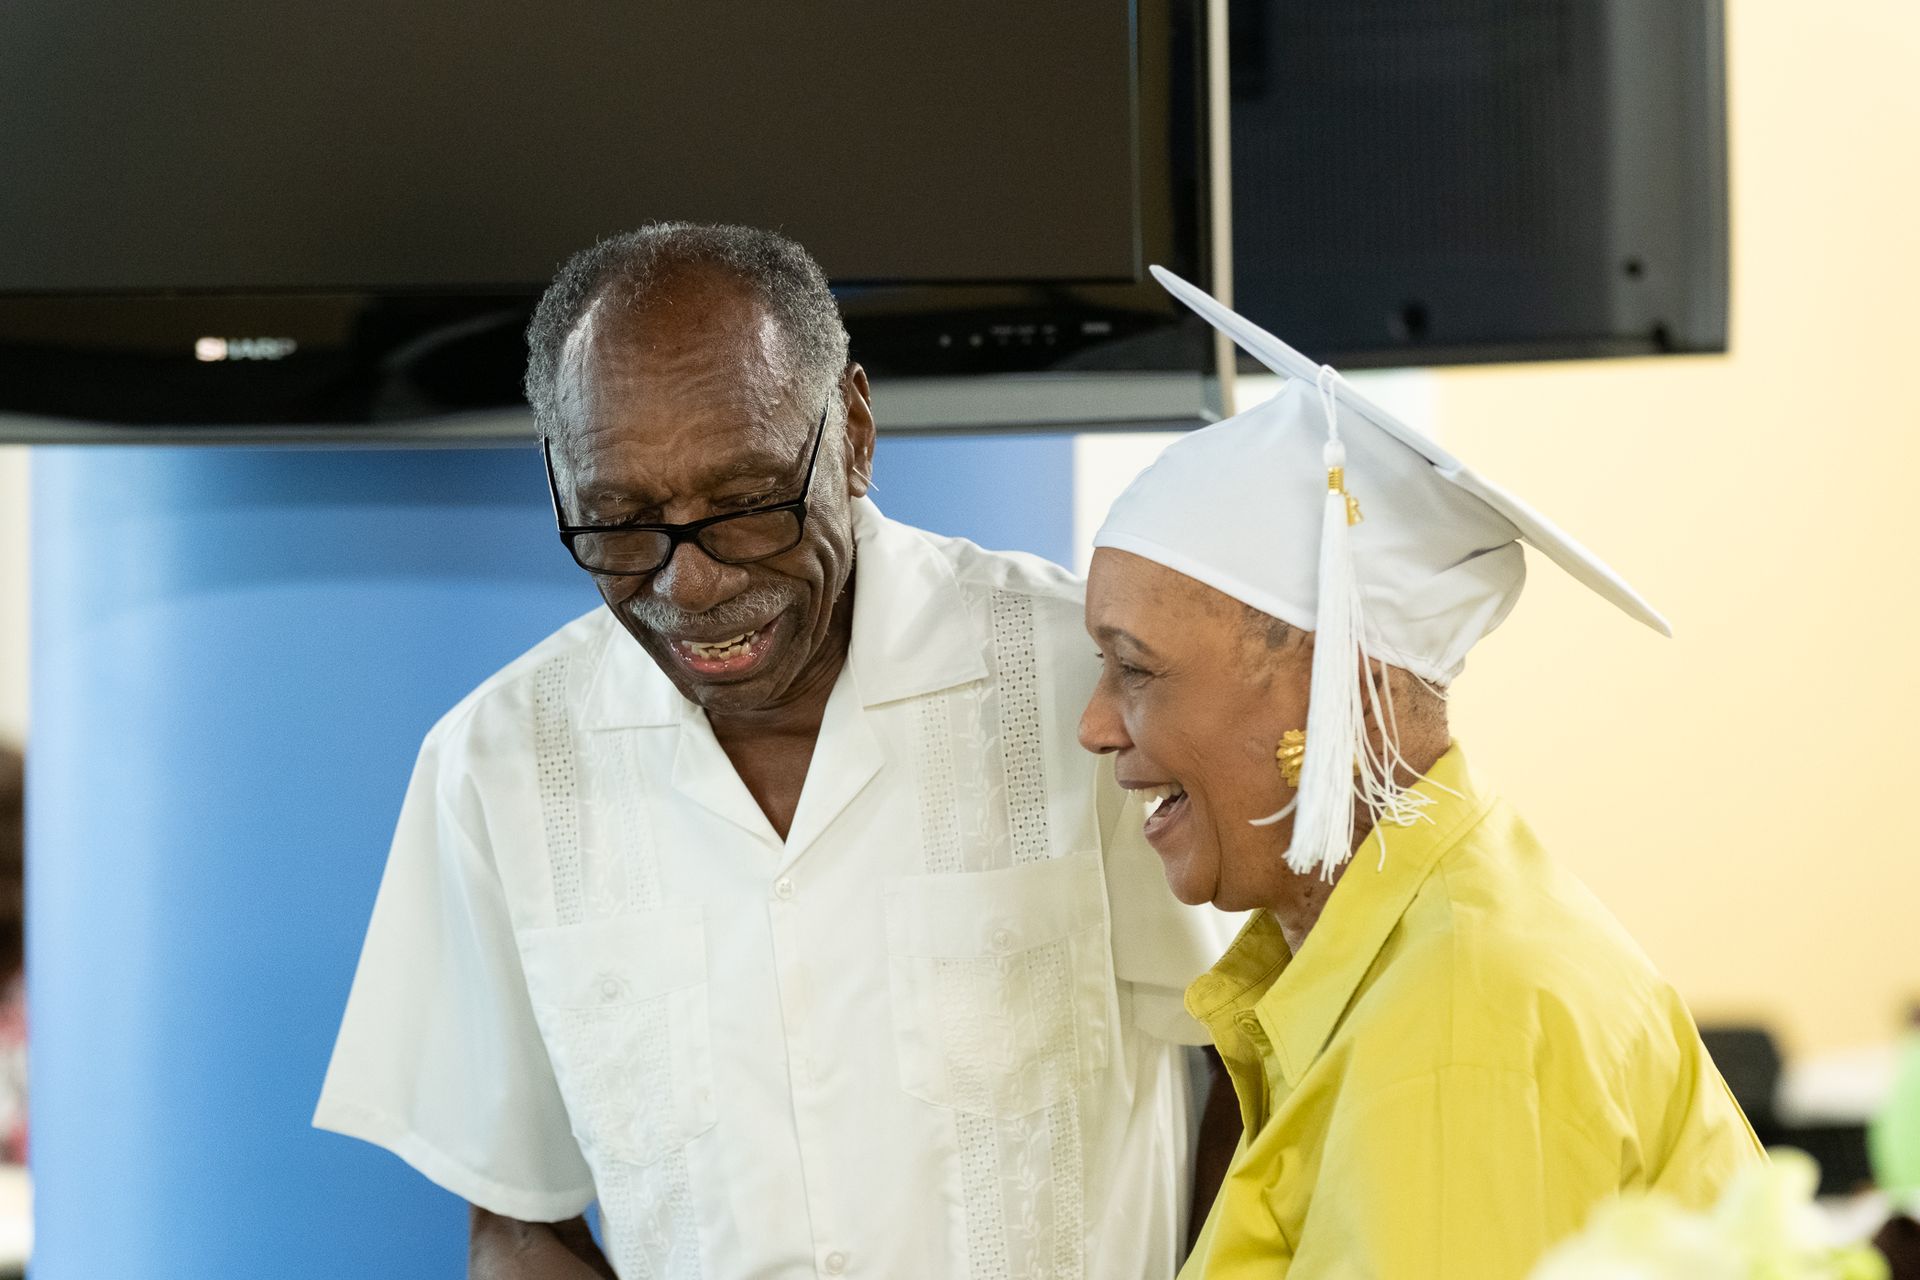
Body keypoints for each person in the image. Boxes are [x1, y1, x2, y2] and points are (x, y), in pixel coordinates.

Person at [314, 225, 1237, 1279]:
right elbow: (520, 1219)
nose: (691, 584)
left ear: (851, 429)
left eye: (749, 505)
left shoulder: (1089, 682)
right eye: (619, 520)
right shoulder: (496, 766)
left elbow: (1262, 1078)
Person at [1075, 269, 1764, 1279]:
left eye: (1135, 668)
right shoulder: (1401, 956)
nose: (1096, 724)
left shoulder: (1457, 1028)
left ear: (1333, 688)